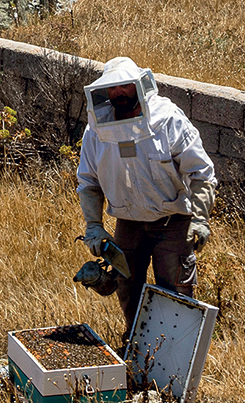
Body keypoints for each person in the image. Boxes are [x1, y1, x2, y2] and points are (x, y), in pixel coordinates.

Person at [76, 56, 217, 342]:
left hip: (173, 221)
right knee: (127, 288)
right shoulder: (97, 130)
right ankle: (138, 347)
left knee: (176, 294)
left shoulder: (168, 119)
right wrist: (94, 225)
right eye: (112, 89)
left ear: (139, 85)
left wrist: (200, 219)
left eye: (125, 86)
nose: (119, 93)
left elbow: (201, 173)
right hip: (128, 222)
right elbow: (89, 182)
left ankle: (174, 356)